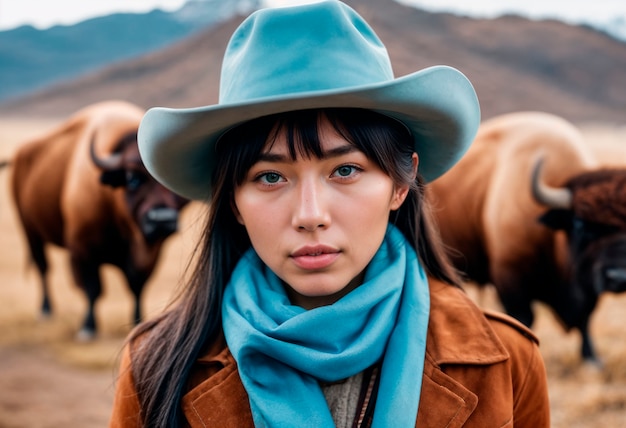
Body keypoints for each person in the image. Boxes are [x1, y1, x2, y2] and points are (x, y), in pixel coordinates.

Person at [109, 1, 550, 427]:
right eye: (270, 177)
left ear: (400, 184)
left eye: (345, 170)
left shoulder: (509, 361)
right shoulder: (154, 363)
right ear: (231, 202)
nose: (310, 215)